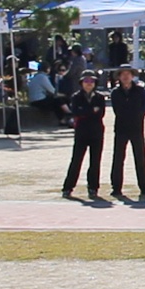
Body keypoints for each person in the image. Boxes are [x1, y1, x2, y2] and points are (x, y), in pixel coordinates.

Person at [106, 66, 145, 201]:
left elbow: (144, 108)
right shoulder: (115, 92)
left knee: (140, 158)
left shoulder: (140, 91)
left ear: (132, 76)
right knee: (118, 158)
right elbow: (117, 110)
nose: (126, 77)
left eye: (128, 74)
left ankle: (144, 187)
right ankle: (116, 187)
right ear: (119, 77)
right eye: (123, 74)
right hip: (121, 128)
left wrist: (137, 117)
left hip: (137, 127)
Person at [59, 70, 105, 200]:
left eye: (91, 81)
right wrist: (91, 110)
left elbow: (100, 114)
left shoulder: (100, 97)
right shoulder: (76, 97)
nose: (89, 83)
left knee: (95, 162)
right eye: (86, 81)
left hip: (97, 132)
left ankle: (93, 188)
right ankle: (68, 187)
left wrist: (86, 112)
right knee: (76, 160)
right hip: (81, 132)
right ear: (81, 83)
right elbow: (76, 112)